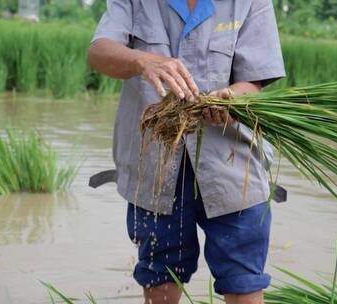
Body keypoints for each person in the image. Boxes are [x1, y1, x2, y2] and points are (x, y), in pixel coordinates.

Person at [88, 0, 285, 303]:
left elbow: (253, 82)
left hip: (232, 164)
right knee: (159, 275)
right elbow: (99, 52)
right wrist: (143, 60)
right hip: (155, 165)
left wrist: (232, 99)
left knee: (243, 279)